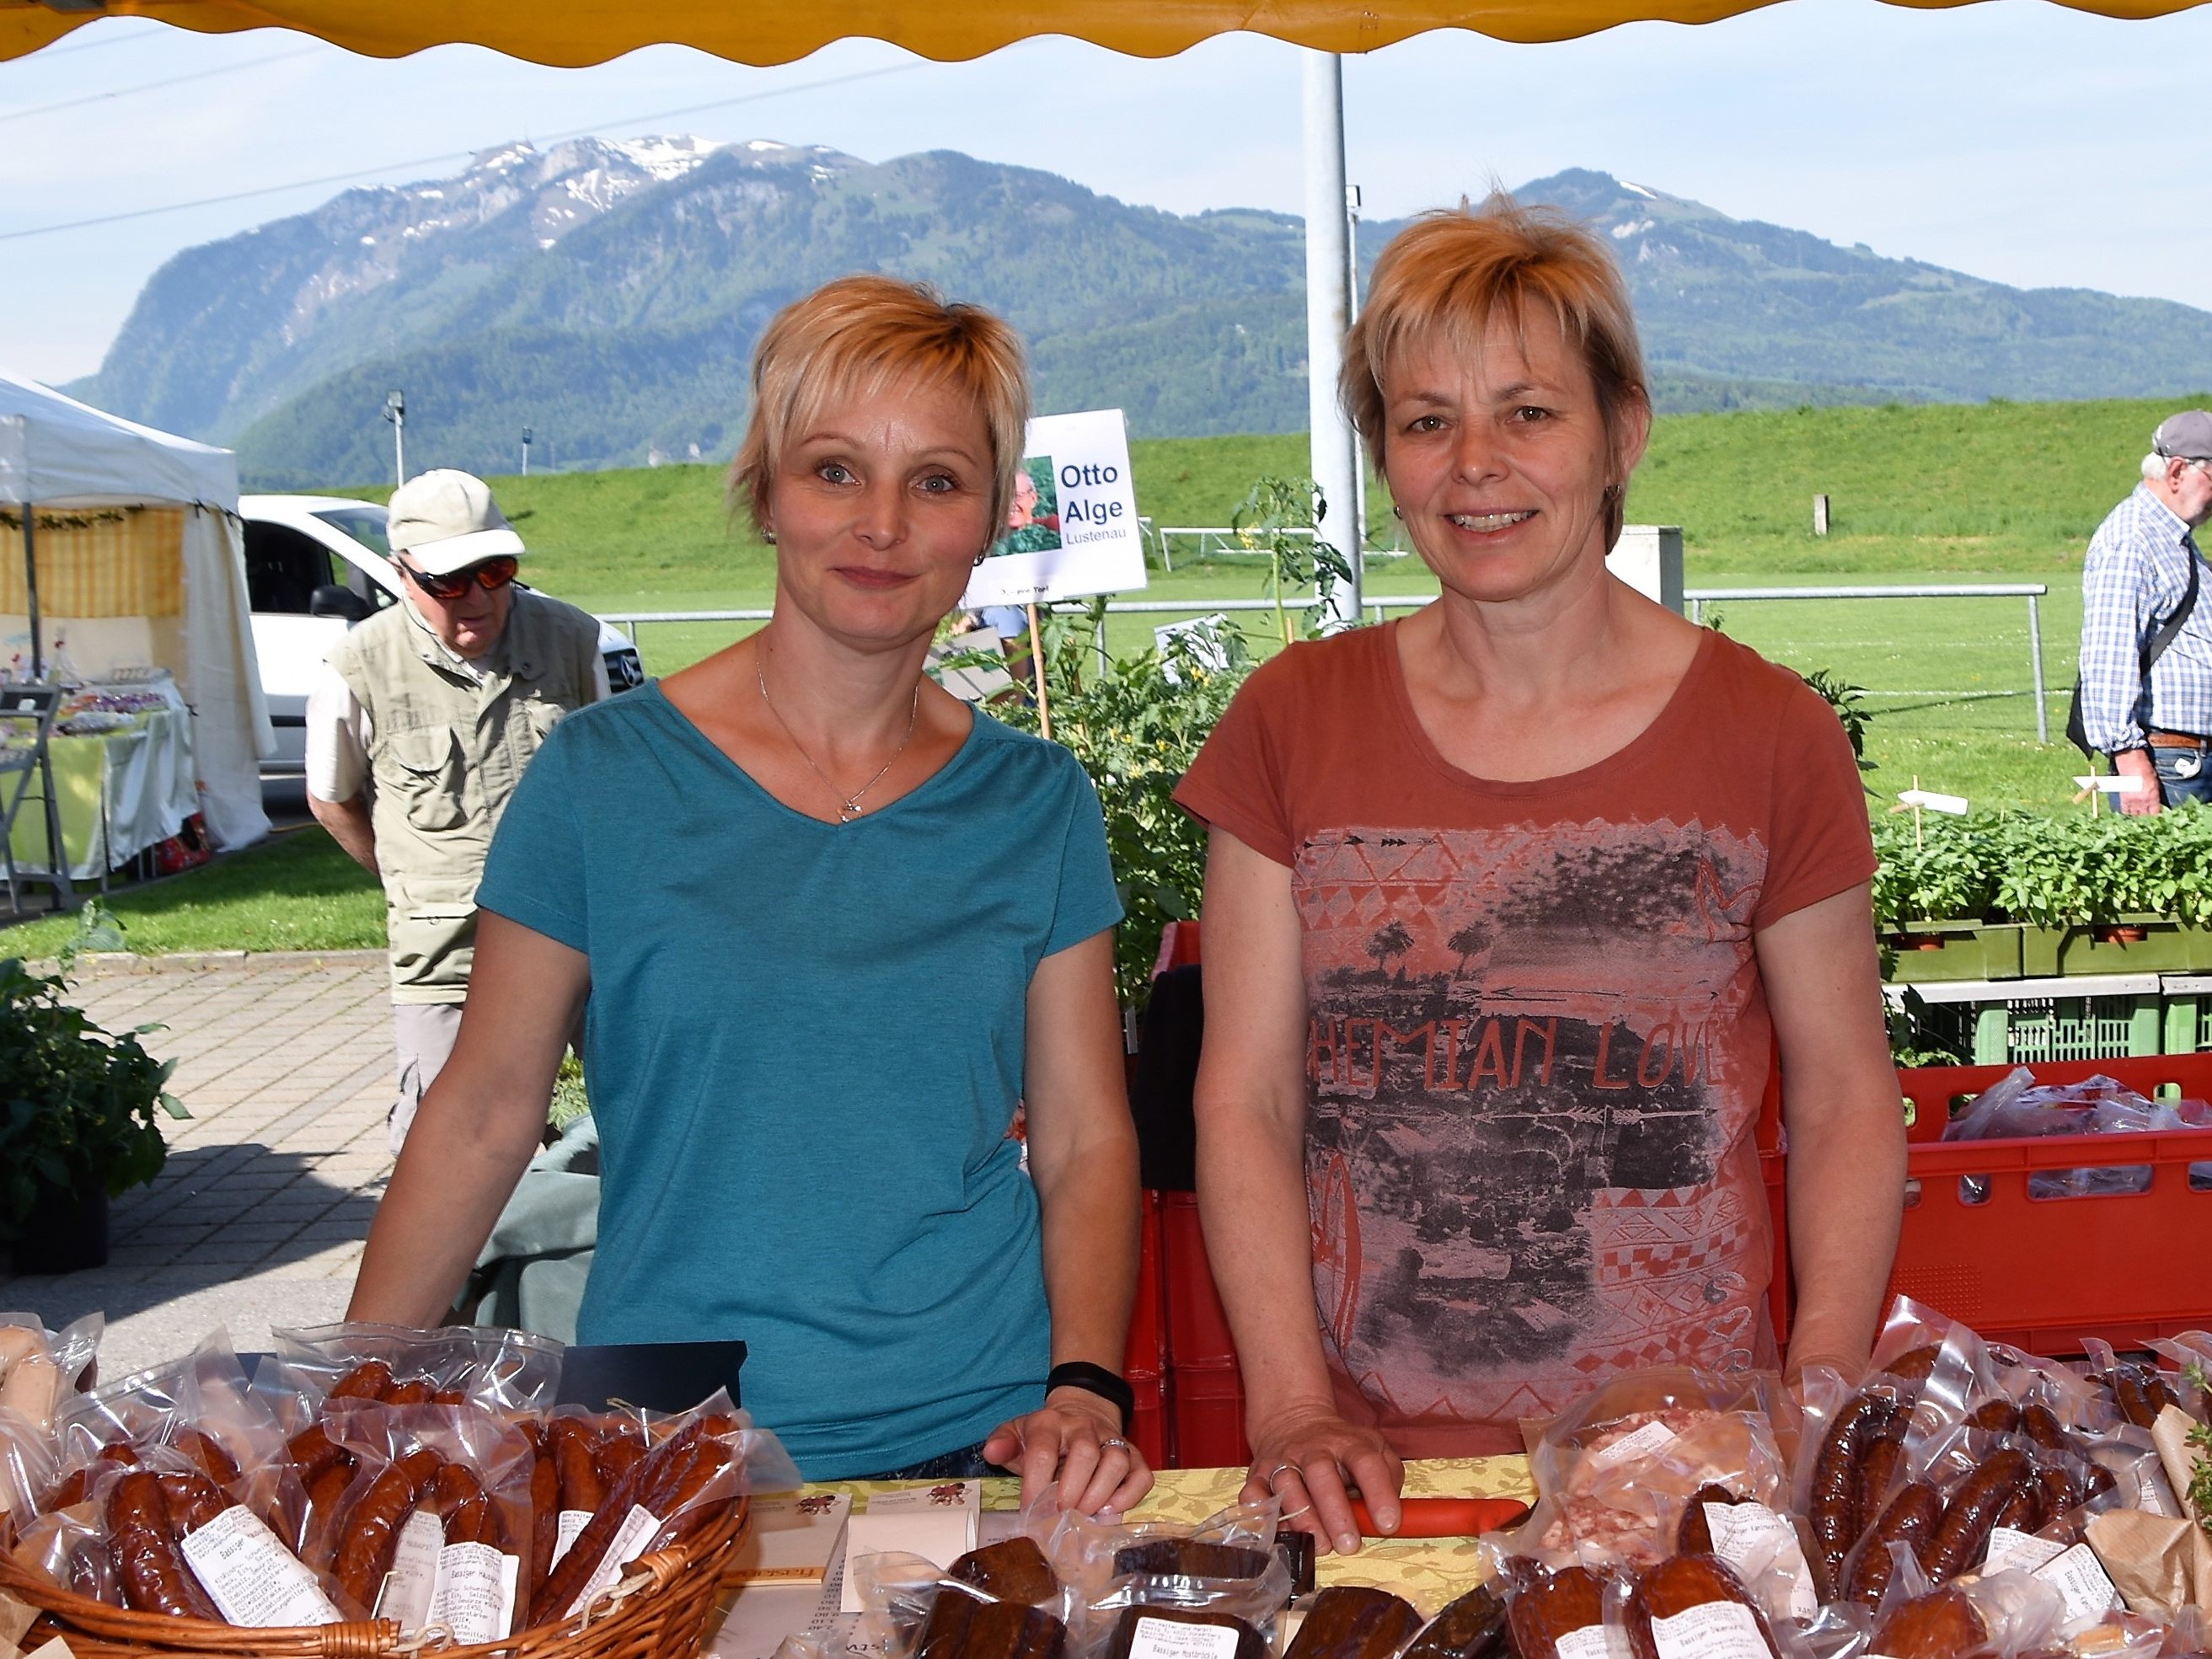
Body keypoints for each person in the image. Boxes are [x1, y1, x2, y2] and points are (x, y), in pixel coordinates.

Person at [1173, 196, 1905, 1555]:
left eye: (1528, 412)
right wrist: (1287, 1411)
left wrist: (1813, 1396)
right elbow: (1250, 1097)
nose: (1474, 467)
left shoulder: (1769, 735)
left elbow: (1849, 1093)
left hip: (1688, 1461)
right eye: (1425, 419)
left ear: (1621, 435)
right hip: (1373, 1478)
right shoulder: (1291, 721)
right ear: (1383, 453)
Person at [346, 276, 1149, 1512]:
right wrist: (347, 1405)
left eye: (936, 481)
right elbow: (483, 1112)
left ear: (987, 519)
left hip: (976, 1433)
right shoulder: (601, 781)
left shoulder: (1035, 804)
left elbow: (1087, 1134)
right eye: (835, 470)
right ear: (765, 490)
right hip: (672, 1445)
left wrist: (1087, 1382)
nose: (882, 523)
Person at [307, 468, 607, 1153]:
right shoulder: (358, 665)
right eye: (450, 580)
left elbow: (626, 786)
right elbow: (331, 799)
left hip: (583, 937)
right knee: (443, 1150)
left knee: (646, 1115)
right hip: (442, 952)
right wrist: (406, 880)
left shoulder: (575, 640)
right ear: (400, 574)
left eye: (495, 570)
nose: (476, 597)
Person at [2077, 411, 2212, 814]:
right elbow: (2108, 659)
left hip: (2188, 758)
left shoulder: (2173, 538)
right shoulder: (2131, 540)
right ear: (2177, 472)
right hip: (2173, 762)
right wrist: (2131, 763)